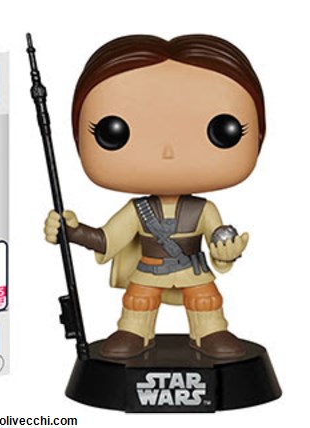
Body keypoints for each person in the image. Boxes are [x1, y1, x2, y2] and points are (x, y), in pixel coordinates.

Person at [45, 35, 264, 360]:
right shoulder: (138, 210)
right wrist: (72, 232)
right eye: (114, 131)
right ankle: (134, 332)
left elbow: (218, 242)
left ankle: (210, 332)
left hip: (193, 271)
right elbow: (107, 239)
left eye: (223, 129)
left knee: (205, 301)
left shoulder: (204, 210)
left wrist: (226, 253)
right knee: (138, 302)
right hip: (148, 271)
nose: (168, 152)